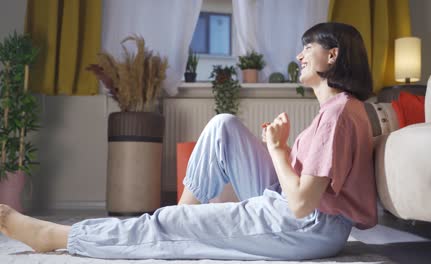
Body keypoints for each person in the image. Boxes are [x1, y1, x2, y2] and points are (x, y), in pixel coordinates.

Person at [0, 22, 377, 260]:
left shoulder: (338, 115)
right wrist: (277, 149)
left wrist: (277, 149)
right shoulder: (340, 110)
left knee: (166, 223)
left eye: (307, 47)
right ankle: (182, 218)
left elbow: (299, 205)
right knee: (224, 125)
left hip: (307, 227)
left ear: (332, 54)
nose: (299, 55)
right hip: (301, 211)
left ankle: (58, 236)